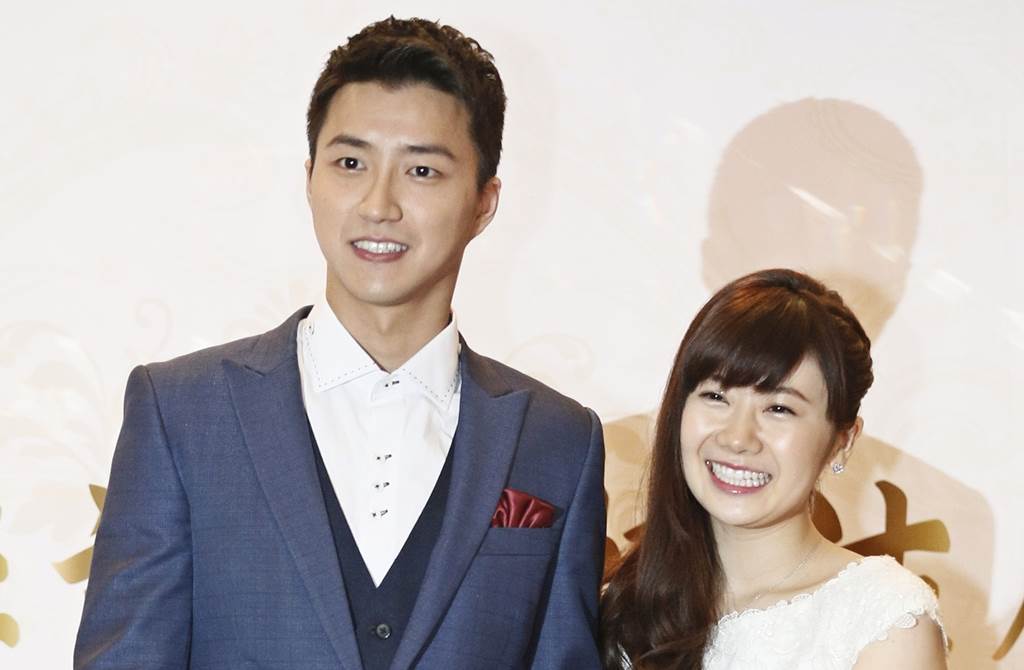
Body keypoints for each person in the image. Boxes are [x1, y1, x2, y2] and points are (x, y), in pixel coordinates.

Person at [74, 17, 605, 670]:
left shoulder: (561, 441)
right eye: (351, 163)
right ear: (310, 178)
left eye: (422, 170)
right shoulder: (181, 411)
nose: (378, 204)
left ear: (483, 203)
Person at [600, 269, 945, 669]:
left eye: (779, 408)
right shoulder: (620, 606)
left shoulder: (886, 620)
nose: (737, 437)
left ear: (843, 441)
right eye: (716, 396)